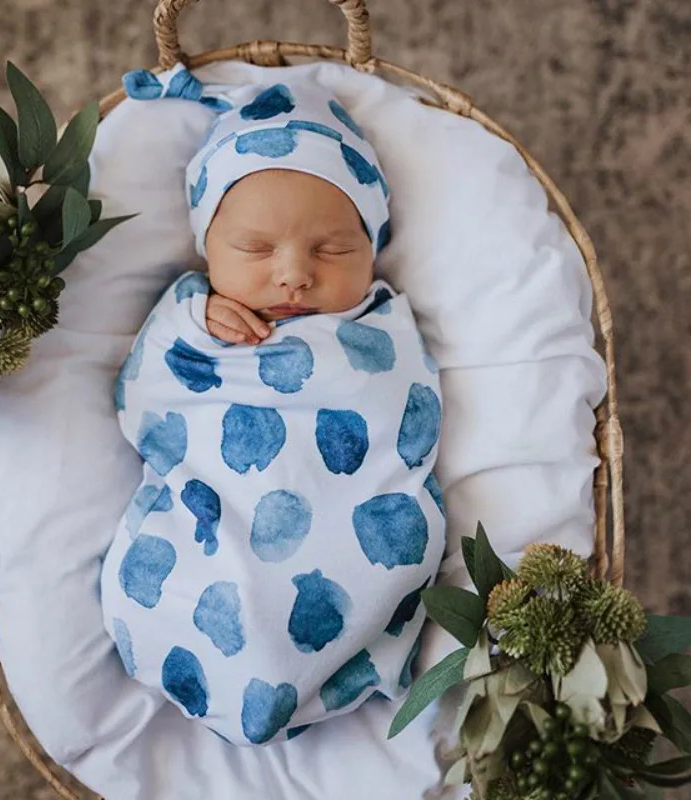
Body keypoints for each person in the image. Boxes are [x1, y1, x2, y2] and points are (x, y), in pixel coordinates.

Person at [101, 71, 445, 746]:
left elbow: (406, 414)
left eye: (332, 249)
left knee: (401, 545)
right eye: (256, 250)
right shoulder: (192, 325)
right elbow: (141, 397)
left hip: (349, 544)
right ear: (207, 248)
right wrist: (190, 325)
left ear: (373, 249)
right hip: (214, 534)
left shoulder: (379, 330)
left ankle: (331, 662)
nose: (293, 273)